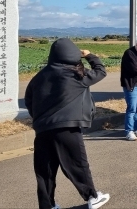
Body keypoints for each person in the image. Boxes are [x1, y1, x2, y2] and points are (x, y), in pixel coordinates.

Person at [24, 38, 110, 209]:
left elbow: (29, 101)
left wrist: (40, 120)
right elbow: (100, 71)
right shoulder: (76, 75)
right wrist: (89, 55)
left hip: (43, 130)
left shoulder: (38, 77)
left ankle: (47, 205)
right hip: (67, 128)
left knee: (45, 171)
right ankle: (92, 197)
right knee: (78, 164)